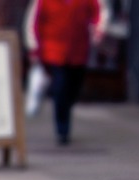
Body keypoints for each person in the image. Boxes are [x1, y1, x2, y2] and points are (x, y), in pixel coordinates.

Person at [24, 0, 109, 145]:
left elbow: (100, 13)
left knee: (74, 88)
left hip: (79, 51)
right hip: (53, 50)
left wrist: (98, 32)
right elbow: (33, 23)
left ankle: (64, 105)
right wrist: (33, 47)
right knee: (61, 87)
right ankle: (62, 130)